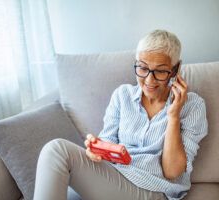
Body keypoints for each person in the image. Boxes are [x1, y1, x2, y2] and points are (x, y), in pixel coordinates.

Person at [33, 30, 208, 200]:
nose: (149, 80)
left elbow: (172, 172)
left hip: (153, 189)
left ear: (176, 69)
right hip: (115, 178)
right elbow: (108, 141)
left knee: (57, 150)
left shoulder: (192, 105)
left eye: (160, 71)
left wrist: (174, 115)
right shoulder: (122, 95)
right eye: (142, 68)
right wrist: (97, 150)